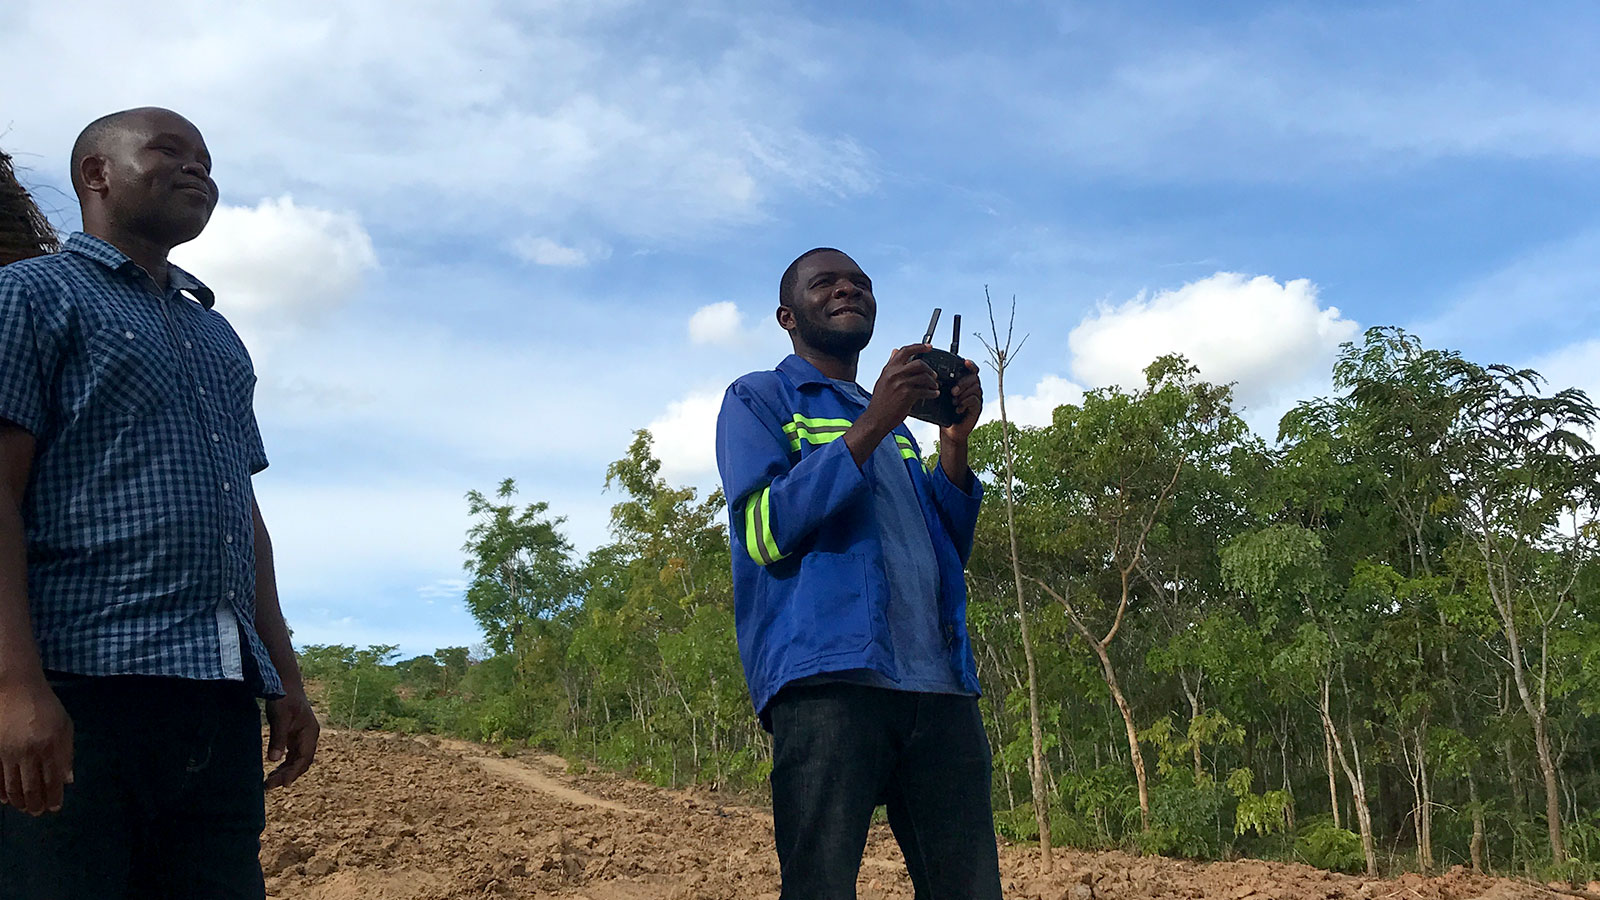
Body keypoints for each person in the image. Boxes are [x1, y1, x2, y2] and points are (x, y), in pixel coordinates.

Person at [0, 107, 319, 899]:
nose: (198, 171)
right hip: (81, 691)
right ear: (96, 175)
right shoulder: (29, 297)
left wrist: (284, 674)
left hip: (214, 702)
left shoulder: (218, 337)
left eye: (206, 160)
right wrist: (15, 689)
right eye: (169, 151)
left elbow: (241, 515)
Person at [715, 247, 1002, 899]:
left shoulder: (901, 434)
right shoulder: (761, 397)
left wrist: (953, 444)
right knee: (821, 887)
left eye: (860, 283)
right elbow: (762, 531)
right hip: (828, 684)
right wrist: (874, 420)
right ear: (788, 315)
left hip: (940, 689)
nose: (848, 289)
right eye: (826, 283)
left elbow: (945, 553)